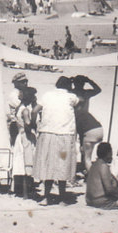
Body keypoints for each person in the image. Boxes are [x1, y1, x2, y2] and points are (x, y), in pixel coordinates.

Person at [33, 76, 80, 205]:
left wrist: (35, 124)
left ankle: (46, 197)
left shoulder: (47, 95)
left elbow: (35, 110)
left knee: (49, 166)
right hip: (65, 134)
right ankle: (62, 198)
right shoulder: (71, 97)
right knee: (62, 166)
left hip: (47, 133)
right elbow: (78, 102)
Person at [11, 86, 40, 199]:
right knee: (27, 164)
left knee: (21, 164)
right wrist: (35, 120)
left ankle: (22, 191)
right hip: (26, 137)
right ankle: (26, 193)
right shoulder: (26, 110)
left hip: (20, 136)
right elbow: (28, 124)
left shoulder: (19, 107)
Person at [72, 75, 104, 173]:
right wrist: (89, 80)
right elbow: (98, 89)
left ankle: (76, 165)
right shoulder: (86, 93)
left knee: (74, 144)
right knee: (83, 144)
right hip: (85, 120)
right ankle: (83, 164)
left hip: (75, 119)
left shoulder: (72, 93)